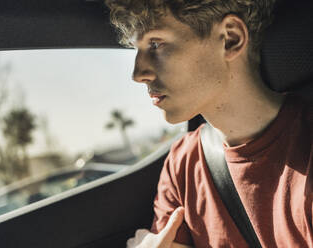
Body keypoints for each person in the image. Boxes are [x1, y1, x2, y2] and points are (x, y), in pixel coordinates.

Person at [105, 0, 313, 247]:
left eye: (156, 44)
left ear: (230, 39)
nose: (138, 74)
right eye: (137, 49)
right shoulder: (181, 163)